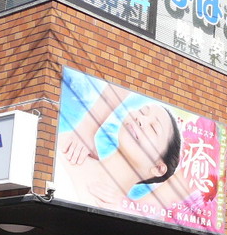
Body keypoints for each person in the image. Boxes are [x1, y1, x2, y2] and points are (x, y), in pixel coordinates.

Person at [56, 72, 182, 209]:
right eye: (142, 111)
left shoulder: (121, 212)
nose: (140, 119)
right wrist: (87, 128)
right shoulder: (68, 145)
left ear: (158, 168)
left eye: (153, 128)